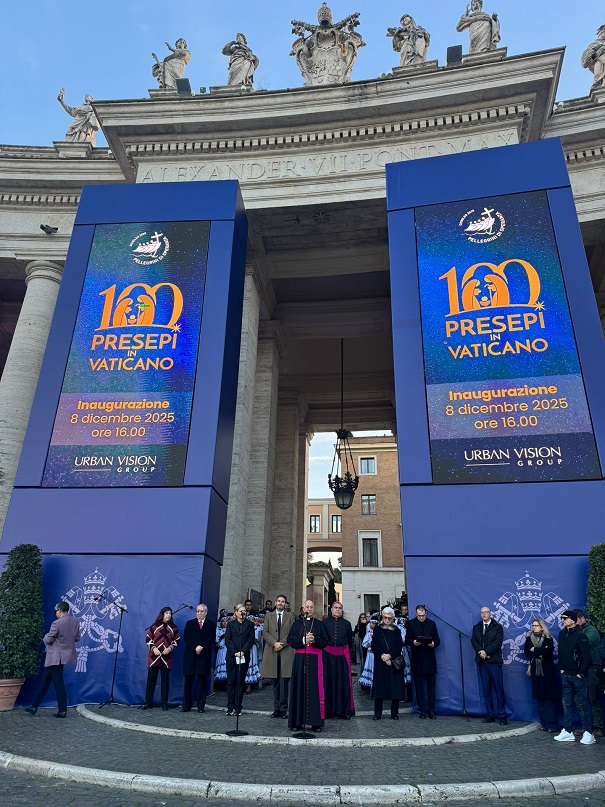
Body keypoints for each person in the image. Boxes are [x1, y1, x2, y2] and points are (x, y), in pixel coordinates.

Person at [24, 601, 81, 718]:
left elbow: (48, 639)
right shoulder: (75, 621)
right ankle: (34, 706)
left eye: (56, 611)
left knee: (58, 685)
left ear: (59, 610)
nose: (55, 613)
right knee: (45, 682)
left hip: (55, 657)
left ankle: (62, 710)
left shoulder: (57, 623)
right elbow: (77, 638)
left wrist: (45, 636)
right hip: (64, 656)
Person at [555, 610, 595, 744]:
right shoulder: (562, 634)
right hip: (565, 674)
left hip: (578, 675)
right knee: (566, 703)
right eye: (561, 618)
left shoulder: (580, 635)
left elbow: (586, 656)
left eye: (565, 618)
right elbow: (560, 652)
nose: (563, 620)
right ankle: (567, 731)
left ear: (573, 620)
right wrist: (561, 668)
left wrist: (581, 672)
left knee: (583, 704)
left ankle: (589, 732)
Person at [287, 599, 327, 731]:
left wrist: (314, 639)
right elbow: (291, 641)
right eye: (307, 607)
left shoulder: (320, 624)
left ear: (314, 609)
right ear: (303, 609)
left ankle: (316, 723)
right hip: (300, 660)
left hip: (315, 660)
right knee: (299, 688)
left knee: (315, 690)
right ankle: (297, 723)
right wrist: (304, 639)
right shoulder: (297, 624)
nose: (309, 609)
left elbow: (325, 642)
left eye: (311, 607)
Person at [471, 606, 507, 725]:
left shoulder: (497, 627)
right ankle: (490, 714)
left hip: (494, 662)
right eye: (482, 612)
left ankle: (502, 716)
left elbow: (497, 643)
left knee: (499, 690)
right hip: (482, 662)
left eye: (486, 612)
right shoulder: (477, 627)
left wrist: (486, 652)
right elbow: (474, 641)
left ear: (490, 613)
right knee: (486, 690)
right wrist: (480, 652)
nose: (484, 614)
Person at [262, 594, 295, 718]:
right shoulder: (268, 616)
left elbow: (292, 633)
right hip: (272, 652)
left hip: (285, 652)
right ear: (275, 603)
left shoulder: (290, 616)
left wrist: (281, 644)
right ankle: (276, 709)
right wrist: (274, 643)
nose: (280, 603)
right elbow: (265, 632)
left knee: (284, 683)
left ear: (285, 604)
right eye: (279, 601)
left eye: (283, 601)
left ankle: (284, 709)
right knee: (275, 683)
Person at [523, 617, 559, 733]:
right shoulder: (529, 639)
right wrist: (540, 651)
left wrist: (535, 650)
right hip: (536, 671)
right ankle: (544, 724)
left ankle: (552, 725)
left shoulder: (548, 639)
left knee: (549, 698)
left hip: (547, 671)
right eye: (533, 626)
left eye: (536, 626)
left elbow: (548, 652)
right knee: (540, 698)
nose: (534, 627)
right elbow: (527, 652)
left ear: (542, 627)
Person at [405, 605, 440, 719]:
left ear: (426, 614)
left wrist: (433, 643)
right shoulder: (411, 624)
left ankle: (431, 711)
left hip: (430, 659)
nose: (421, 617)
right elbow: (407, 639)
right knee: (419, 687)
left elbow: (437, 639)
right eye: (419, 616)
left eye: (423, 615)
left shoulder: (432, 624)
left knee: (431, 688)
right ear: (416, 614)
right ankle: (422, 710)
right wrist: (413, 642)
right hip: (417, 659)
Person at [371, 607, 406, 720]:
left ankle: (394, 713)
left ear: (392, 618)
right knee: (379, 689)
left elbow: (398, 646)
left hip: (393, 662)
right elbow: (374, 644)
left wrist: (390, 656)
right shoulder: (377, 629)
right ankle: (377, 713)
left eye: (389, 618)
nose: (387, 620)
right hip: (380, 661)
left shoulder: (396, 630)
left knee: (395, 689)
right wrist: (382, 656)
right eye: (385, 618)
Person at [142, 607, 180, 710]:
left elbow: (177, 640)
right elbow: (148, 638)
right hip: (154, 657)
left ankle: (164, 704)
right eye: (166, 613)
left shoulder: (173, 628)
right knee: (151, 681)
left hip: (166, 658)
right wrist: (153, 648)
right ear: (162, 614)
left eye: (170, 613)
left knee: (165, 681)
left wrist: (170, 648)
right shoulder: (155, 626)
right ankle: (148, 702)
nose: (168, 615)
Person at [323, 601, 355, 719]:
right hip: (327, 655)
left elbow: (349, 642)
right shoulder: (325, 623)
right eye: (335, 608)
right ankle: (328, 710)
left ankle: (343, 711)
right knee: (328, 682)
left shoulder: (347, 624)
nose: (337, 610)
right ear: (331, 609)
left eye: (340, 608)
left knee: (343, 682)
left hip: (342, 655)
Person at [181, 604, 216, 713]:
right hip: (191, 655)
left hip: (204, 655)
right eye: (198, 611)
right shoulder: (190, 623)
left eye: (201, 611)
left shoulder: (211, 624)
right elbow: (187, 638)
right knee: (188, 681)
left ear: (206, 612)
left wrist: (202, 646)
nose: (199, 613)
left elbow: (211, 638)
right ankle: (186, 705)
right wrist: (195, 647)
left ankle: (201, 706)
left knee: (202, 681)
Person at [574, 609, 603, 737]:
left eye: (575, 620)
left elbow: (582, 644)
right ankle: (586, 726)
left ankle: (598, 727)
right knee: (579, 699)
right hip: (580, 669)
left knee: (594, 698)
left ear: (582, 619)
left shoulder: (591, 630)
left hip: (593, 667)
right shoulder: (576, 631)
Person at [224, 603, 255, 716]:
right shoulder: (231, 624)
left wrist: (243, 651)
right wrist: (235, 652)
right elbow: (228, 639)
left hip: (243, 656)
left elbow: (251, 639)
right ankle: (230, 706)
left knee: (240, 682)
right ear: (236, 613)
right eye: (241, 611)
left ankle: (238, 707)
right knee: (231, 682)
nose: (243, 613)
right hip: (232, 656)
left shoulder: (250, 625)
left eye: (244, 611)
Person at [581, 25, 605, 89]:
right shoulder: (593, 45)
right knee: (598, 64)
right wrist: (600, 51)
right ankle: (599, 84)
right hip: (598, 62)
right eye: (603, 32)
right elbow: (586, 60)